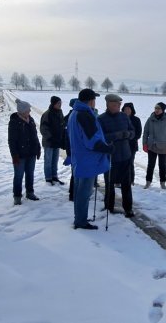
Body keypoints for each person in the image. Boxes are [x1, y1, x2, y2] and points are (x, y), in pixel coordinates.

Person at [66, 89, 112, 230]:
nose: (95, 102)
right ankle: (80, 222)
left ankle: (79, 219)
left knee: (80, 192)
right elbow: (92, 141)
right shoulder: (85, 115)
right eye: (94, 99)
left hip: (79, 158)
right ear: (91, 100)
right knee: (84, 194)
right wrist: (107, 148)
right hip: (87, 161)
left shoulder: (74, 113)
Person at [97, 95, 139, 218]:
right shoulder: (101, 119)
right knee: (109, 183)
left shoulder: (124, 117)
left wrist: (128, 134)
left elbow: (133, 132)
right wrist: (117, 135)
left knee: (126, 184)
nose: (118, 106)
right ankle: (109, 207)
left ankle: (128, 208)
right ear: (108, 104)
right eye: (116, 104)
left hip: (125, 155)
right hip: (110, 156)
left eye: (119, 104)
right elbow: (101, 137)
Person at [8, 99, 42, 205]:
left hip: (31, 152)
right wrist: (14, 155)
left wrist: (38, 148)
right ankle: (17, 196)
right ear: (22, 111)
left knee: (30, 174)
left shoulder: (30, 120)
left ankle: (30, 192)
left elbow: (35, 135)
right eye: (28, 110)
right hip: (20, 154)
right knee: (18, 176)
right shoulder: (14, 122)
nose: (30, 111)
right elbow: (12, 141)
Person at [141, 102, 166, 189]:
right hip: (151, 145)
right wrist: (144, 143)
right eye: (155, 108)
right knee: (150, 165)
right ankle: (148, 182)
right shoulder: (150, 119)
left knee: (162, 165)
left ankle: (163, 183)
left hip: (163, 146)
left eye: (158, 109)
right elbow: (145, 132)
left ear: (163, 110)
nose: (156, 110)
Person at [39, 96, 68, 186]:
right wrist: (51, 137)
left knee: (54, 161)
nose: (60, 105)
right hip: (49, 142)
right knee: (48, 161)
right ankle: (48, 178)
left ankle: (54, 177)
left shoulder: (60, 112)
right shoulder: (47, 114)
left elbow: (62, 124)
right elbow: (43, 128)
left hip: (57, 141)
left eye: (60, 103)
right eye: (58, 103)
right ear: (53, 104)